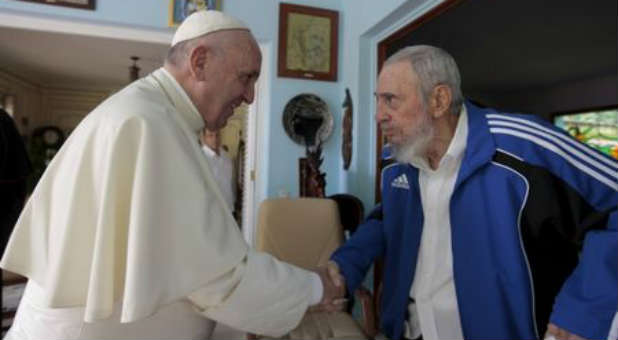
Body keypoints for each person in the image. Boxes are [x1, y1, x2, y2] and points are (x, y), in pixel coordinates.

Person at [0, 10, 343, 339]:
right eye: (247, 77)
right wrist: (314, 287)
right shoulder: (149, 123)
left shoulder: (153, 114)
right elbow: (213, 278)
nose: (250, 96)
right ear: (200, 62)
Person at [326, 45, 617, 340]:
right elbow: (388, 216)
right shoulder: (395, 157)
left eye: (391, 100)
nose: (378, 116)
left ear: (439, 100)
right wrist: (344, 265)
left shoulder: (525, 146)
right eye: (378, 101)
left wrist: (586, 309)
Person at [200, 128, 235, 211]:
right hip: (211, 209)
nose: (215, 139)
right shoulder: (201, 158)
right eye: (210, 136)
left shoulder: (226, 156)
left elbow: (229, 183)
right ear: (204, 138)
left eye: (217, 135)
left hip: (228, 207)